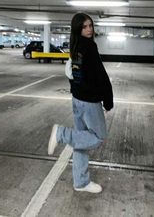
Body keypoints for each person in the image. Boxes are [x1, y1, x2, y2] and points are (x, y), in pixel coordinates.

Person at [48, 13, 113, 193]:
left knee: (81, 141)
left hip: (77, 99)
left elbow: (73, 75)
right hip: (89, 101)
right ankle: (61, 134)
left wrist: (78, 90)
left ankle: (81, 182)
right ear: (78, 29)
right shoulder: (89, 47)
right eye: (85, 27)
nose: (89, 29)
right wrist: (108, 100)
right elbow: (101, 77)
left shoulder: (76, 47)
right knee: (98, 137)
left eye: (90, 25)